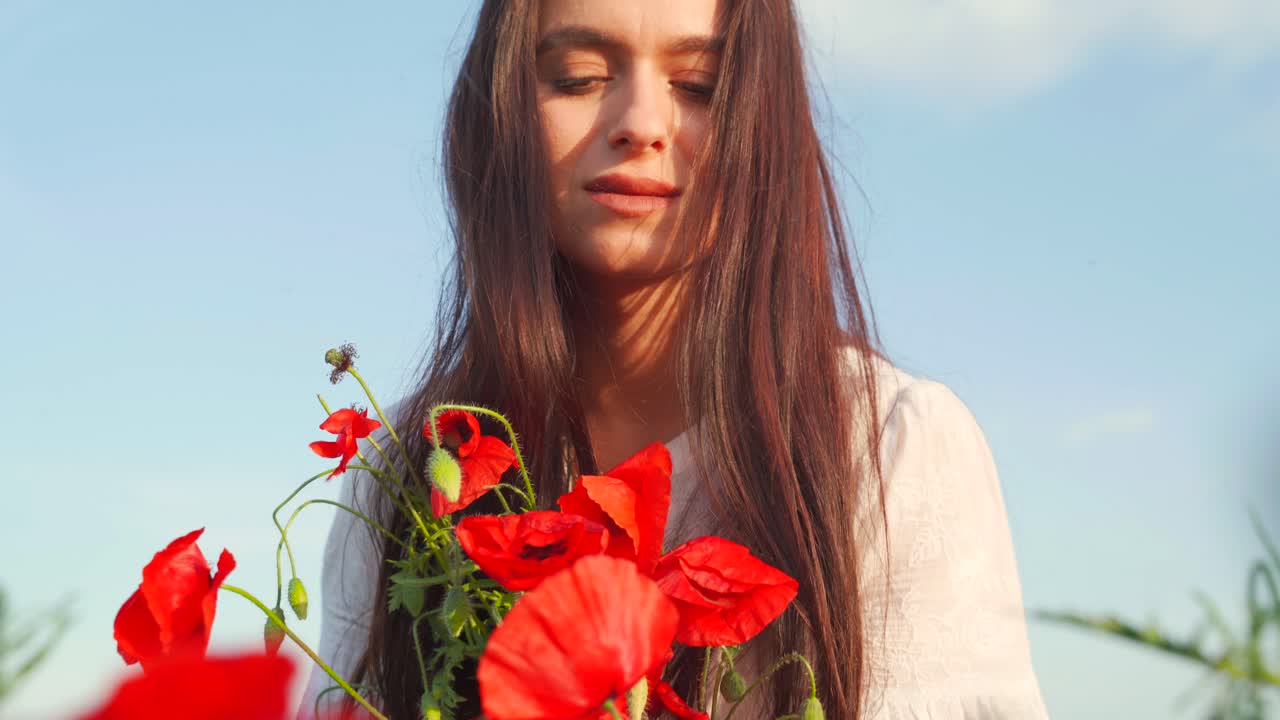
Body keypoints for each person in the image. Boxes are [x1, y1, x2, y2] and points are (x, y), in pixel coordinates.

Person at [302, 0, 1051, 718]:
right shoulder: (405, 469)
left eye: (698, 86)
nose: (640, 124)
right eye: (579, 78)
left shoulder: (887, 450)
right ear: (495, 110)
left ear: (765, 127)